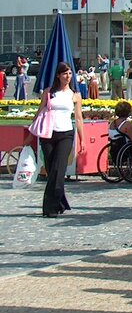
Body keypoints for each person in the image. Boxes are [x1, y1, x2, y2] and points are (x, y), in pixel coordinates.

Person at [29, 62, 86, 218]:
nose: (67, 77)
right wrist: (30, 133)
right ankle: (61, 202)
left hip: (65, 134)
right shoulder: (49, 92)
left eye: (69, 74)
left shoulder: (75, 95)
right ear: (58, 75)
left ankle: (50, 207)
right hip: (48, 134)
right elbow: (39, 112)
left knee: (58, 169)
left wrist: (83, 139)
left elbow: (79, 118)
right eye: (64, 74)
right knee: (50, 169)